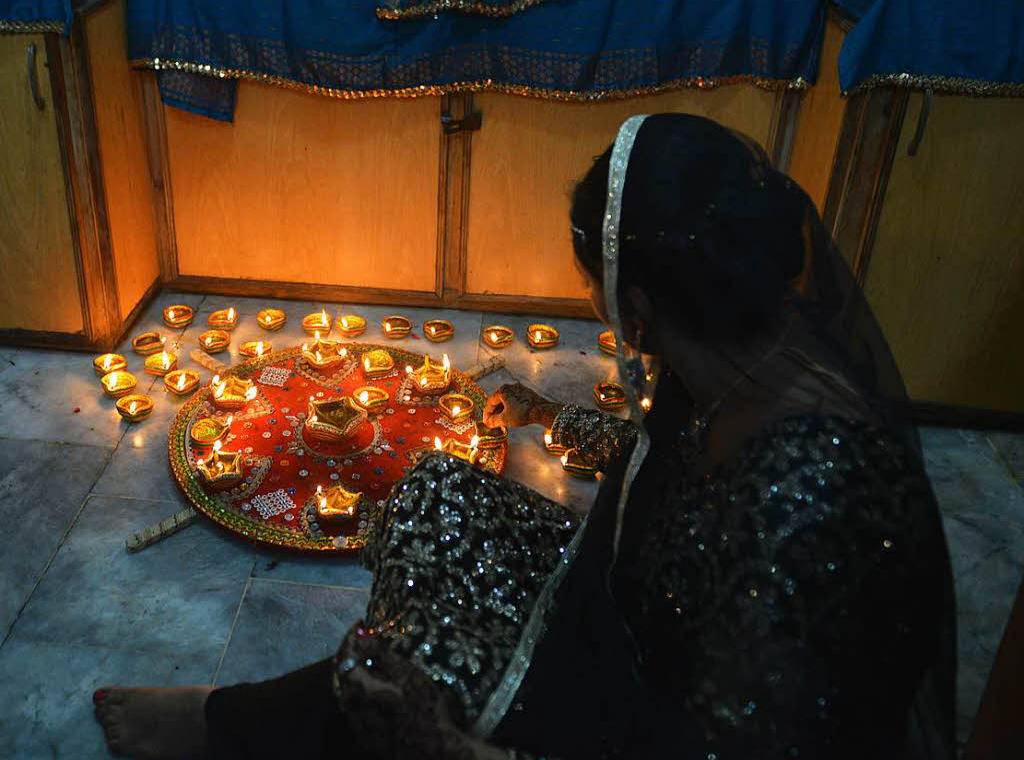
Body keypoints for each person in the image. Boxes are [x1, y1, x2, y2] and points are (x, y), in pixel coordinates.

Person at [94, 113, 955, 759]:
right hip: (631, 600)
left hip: (648, 700)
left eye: (595, 285)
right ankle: (316, 700)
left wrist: (447, 745)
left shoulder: (809, 507)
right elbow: (672, 478)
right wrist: (549, 415)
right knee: (433, 488)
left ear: (643, 308)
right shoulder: (741, 341)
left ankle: (238, 722)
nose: (594, 303)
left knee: (414, 666)